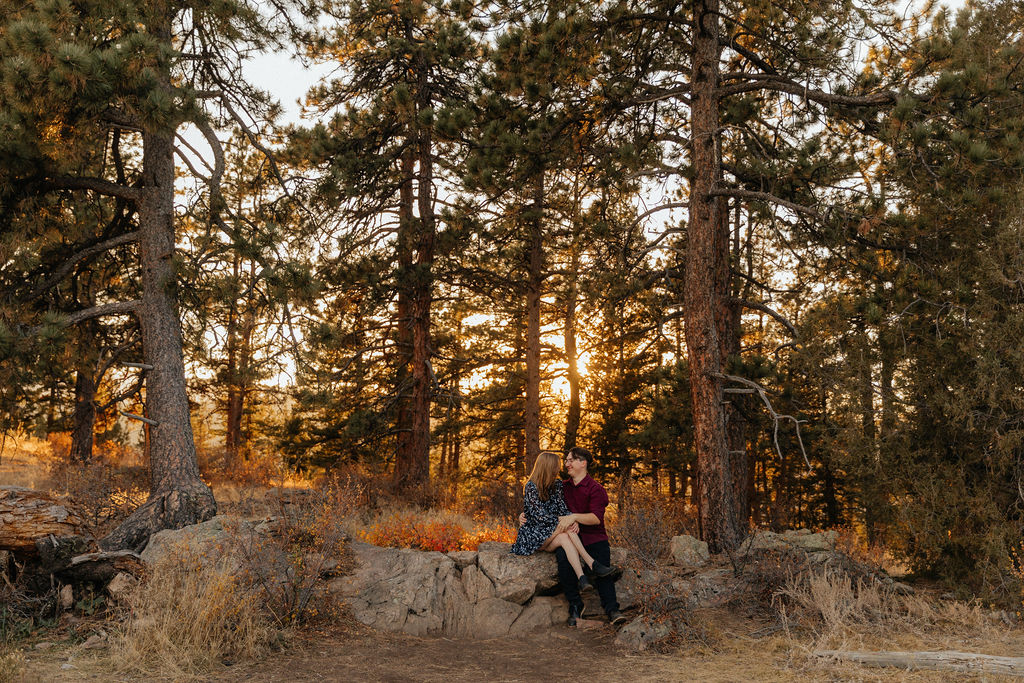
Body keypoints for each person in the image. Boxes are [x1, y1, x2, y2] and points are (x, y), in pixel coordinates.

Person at [510, 451, 617, 595]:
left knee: (566, 536)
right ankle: (592, 563)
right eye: (557, 466)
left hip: (552, 535)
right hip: (534, 536)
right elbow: (540, 517)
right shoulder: (531, 487)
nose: (560, 468)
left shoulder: (557, 486)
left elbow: (563, 508)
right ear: (548, 467)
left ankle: (582, 578)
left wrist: (572, 519)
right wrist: (566, 520)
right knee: (566, 529)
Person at [548, 446, 626, 626]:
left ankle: (612, 609)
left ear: (582, 463)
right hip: (569, 537)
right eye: (566, 460)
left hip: (593, 537)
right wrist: (525, 515)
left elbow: (595, 518)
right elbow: (544, 503)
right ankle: (575, 605)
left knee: (601, 564)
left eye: (570, 460)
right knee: (563, 559)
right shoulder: (562, 487)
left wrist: (574, 517)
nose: (566, 464)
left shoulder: (596, 489)